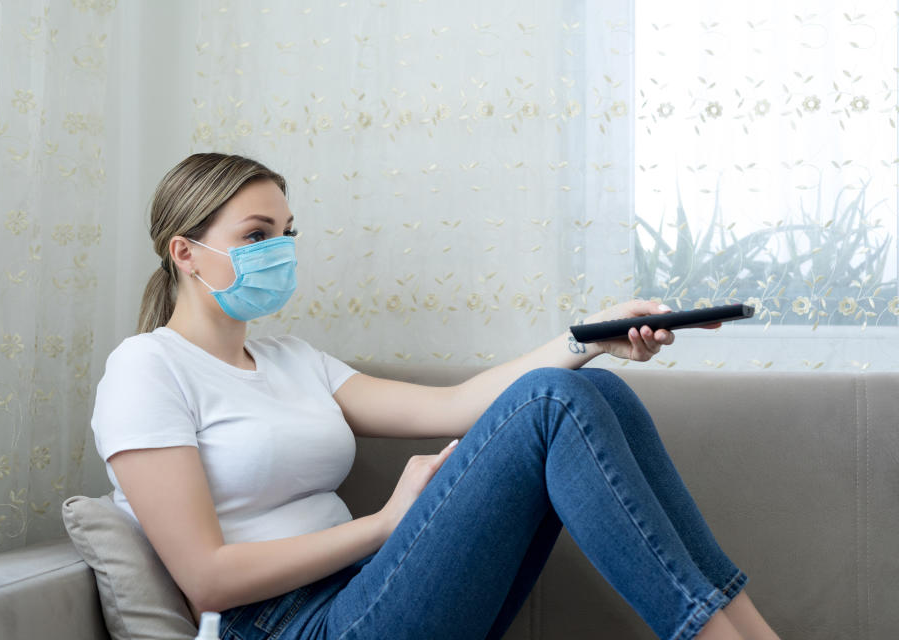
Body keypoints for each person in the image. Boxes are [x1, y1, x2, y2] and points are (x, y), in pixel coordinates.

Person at [92, 153, 781, 640]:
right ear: (185, 253)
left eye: (287, 233)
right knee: (552, 400)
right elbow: (207, 580)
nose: (281, 250)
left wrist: (591, 339)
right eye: (256, 236)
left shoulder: (292, 361)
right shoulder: (147, 369)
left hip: (369, 590)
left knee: (592, 385)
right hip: (285, 626)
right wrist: (386, 524)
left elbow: (454, 408)